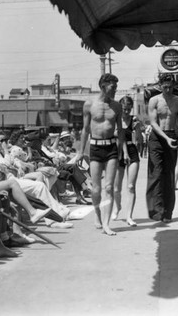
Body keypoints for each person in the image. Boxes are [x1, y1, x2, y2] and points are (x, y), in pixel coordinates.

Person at [75, 73, 124, 235]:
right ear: (103, 86)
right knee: (96, 189)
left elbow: (120, 130)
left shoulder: (117, 106)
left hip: (111, 148)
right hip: (95, 148)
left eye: (116, 87)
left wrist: (122, 151)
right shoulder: (89, 104)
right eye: (113, 87)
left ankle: (106, 223)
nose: (115, 90)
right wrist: (81, 152)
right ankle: (97, 214)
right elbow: (85, 129)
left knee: (109, 187)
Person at [146, 74, 178, 223]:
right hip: (157, 137)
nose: (168, 89)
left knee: (169, 175)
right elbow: (153, 123)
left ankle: (168, 212)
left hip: (171, 136)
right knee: (156, 173)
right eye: (165, 86)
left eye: (170, 86)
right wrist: (166, 138)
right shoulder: (154, 100)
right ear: (160, 86)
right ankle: (156, 211)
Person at [112, 96, 139, 226]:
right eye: (124, 109)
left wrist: (138, 128)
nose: (127, 112)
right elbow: (118, 137)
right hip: (118, 153)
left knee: (131, 186)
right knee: (116, 188)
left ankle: (129, 216)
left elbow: (138, 139)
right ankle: (118, 207)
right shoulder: (115, 120)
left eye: (129, 109)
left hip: (132, 152)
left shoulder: (134, 119)